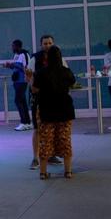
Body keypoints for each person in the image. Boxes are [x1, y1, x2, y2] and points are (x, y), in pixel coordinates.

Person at [30, 45, 77, 179]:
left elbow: (34, 90)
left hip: (46, 110)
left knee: (46, 141)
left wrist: (30, 79)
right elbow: (72, 84)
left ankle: (43, 173)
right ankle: (68, 171)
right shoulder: (66, 71)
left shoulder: (41, 73)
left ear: (47, 58)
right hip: (65, 110)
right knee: (65, 140)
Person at [27, 34, 59, 169]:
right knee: (38, 128)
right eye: (45, 43)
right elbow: (29, 77)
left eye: (50, 43)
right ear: (41, 45)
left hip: (54, 99)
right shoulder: (35, 59)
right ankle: (36, 157)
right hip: (39, 99)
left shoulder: (59, 58)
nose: (48, 45)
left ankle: (51, 154)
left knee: (54, 128)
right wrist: (34, 88)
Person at [3, 39, 31, 131]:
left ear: (18, 46)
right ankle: (27, 122)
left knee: (18, 100)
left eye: (13, 46)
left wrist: (14, 65)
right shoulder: (16, 55)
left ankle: (23, 122)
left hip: (22, 81)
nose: (12, 48)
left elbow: (26, 67)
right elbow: (15, 67)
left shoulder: (24, 54)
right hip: (16, 81)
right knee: (22, 101)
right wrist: (9, 65)